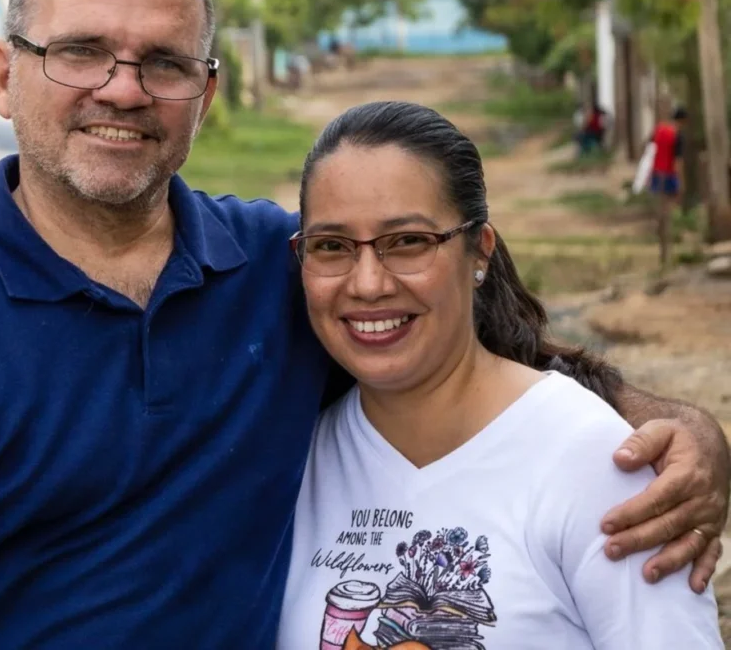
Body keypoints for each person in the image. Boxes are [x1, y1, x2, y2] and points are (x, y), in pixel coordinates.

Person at [0, 0, 728, 649]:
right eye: (82, 51)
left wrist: (677, 430)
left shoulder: (282, 268)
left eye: (163, 61)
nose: (123, 88)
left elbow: (483, 351)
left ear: (205, 92)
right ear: (4, 74)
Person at [278, 101, 723, 649]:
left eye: (408, 241)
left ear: (479, 253)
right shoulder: (294, 463)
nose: (368, 283)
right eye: (332, 246)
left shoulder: (593, 462)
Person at [650, 105, 688, 271]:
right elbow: (678, 162)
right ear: (683, 120)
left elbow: (649, 150)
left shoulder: (659, 130)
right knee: (668, 213)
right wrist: (681, 182)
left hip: (656, 174)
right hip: (669, 175)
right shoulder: (677, 136)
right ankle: (666, 252)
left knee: (661, 209)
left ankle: (662, 249)